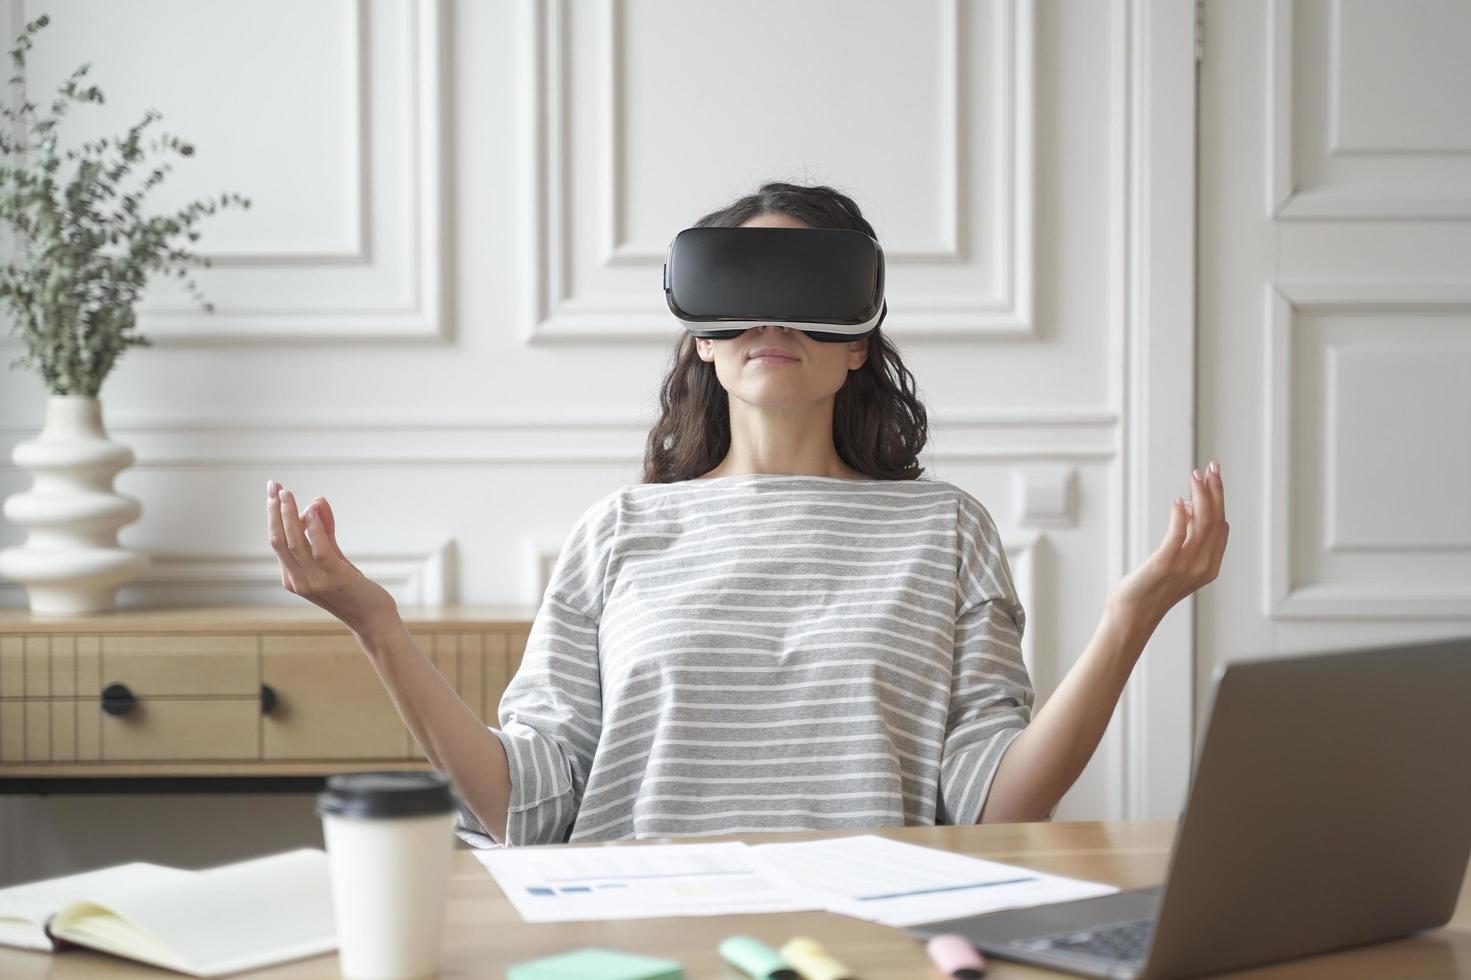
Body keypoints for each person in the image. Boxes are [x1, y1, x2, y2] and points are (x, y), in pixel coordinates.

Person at [264, 182, 1228, 848]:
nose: (772, 322)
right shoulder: (618, 532)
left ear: (858, 345)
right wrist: (375, 624)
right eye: (743, 293)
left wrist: (1127, 619)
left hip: (866, 937)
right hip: (639, 929)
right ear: (704, 344)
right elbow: (528, 808)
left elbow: (990, 807)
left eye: (806, 293)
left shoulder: (946, 531)